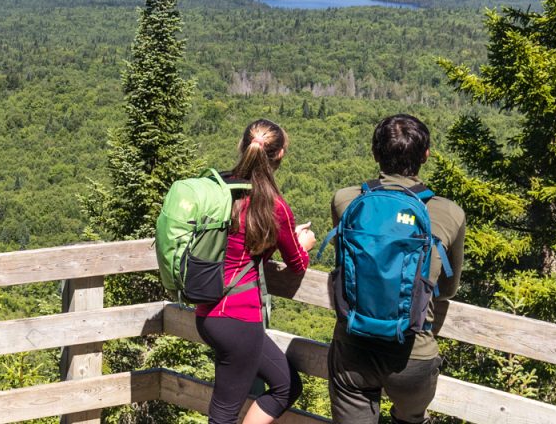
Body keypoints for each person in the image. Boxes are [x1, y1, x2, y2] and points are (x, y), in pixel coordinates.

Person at [327, 114, 466, 424]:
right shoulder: (449, 213)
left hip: (353, 348)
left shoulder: (345, 201)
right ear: (425, 155)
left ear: (376, 153)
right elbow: (449, 288)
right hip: (413, 354)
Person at [195, 119, 315, 424]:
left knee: (287, 385)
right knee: (223, 414)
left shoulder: (218, 189)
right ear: (281, 155)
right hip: (238, 318)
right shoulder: (274, 207)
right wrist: (304, 243)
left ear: (242, 146)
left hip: (207, 310)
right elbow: (297, 264)